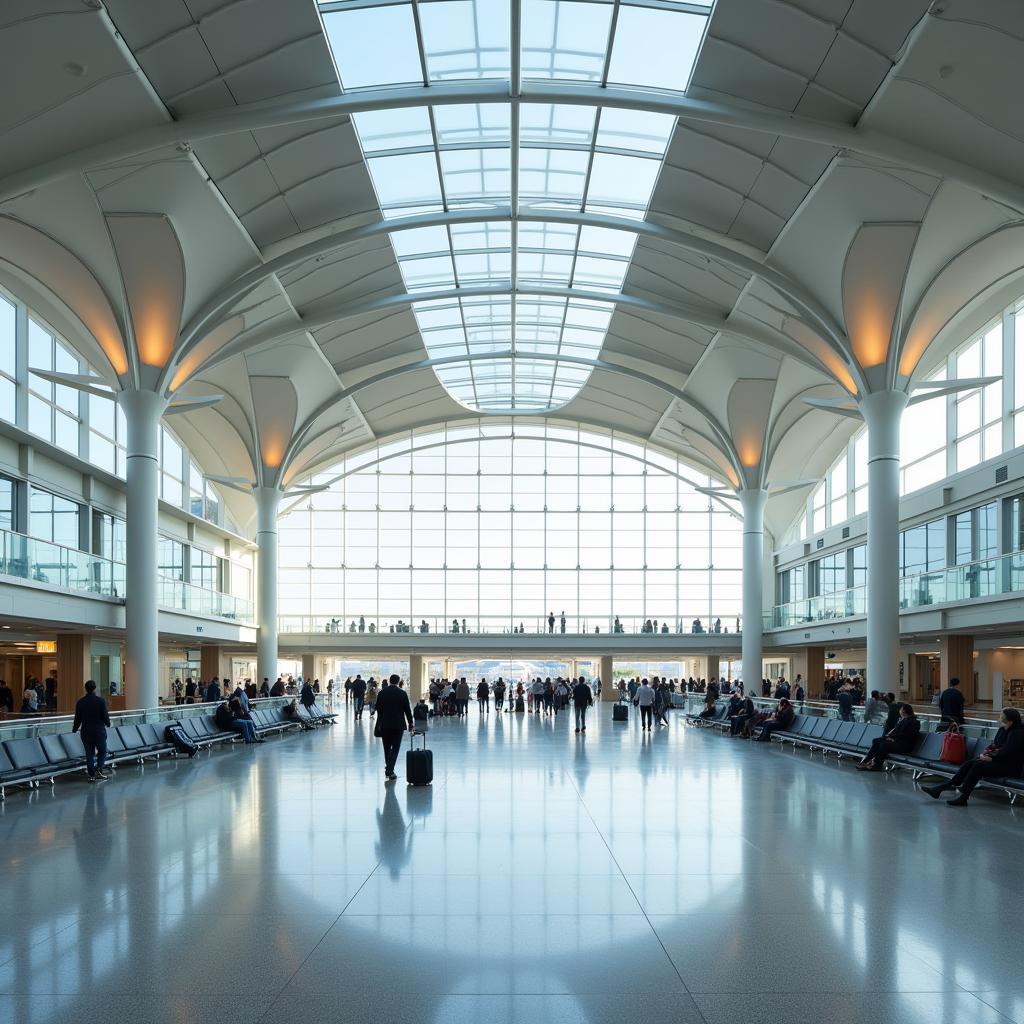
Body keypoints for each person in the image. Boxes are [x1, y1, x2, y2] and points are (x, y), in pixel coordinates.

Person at [923, 708, 1024, 806]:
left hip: (1010, 766)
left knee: (978, 765)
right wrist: (985, 753)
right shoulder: (1002, 730)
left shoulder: (1018, 733)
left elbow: (1008, 752)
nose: (1000, 719)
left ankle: (961, 794)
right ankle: (945, 788)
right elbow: (994, 745)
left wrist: (991, 758)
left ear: (1010, 721)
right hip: (998, 762)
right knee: (970, 763)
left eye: (1002, 717)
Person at [857, 703, 921, 771]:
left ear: (904, 711)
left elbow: (908, 735)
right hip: (897, 742)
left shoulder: (914, 722)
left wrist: (893, 739)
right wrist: (890, 737)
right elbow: (897, 732)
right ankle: (867, 761)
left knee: (884, 745)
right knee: (876, 741)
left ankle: (876, 765)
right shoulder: (903, 720)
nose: (899, 711)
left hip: (905, 745)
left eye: (900, 709)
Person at [375, 673, 414, 781]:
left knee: (386, 748)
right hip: (398, 725)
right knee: (395, 748)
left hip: (385, 724)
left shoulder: (382, 693)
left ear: (389, 680)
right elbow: (407, 709)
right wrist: (410, 723)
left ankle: (389, 769)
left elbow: (378, 708)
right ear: (398, 681)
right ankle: (390, 770)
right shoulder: (402, 693)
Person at [72, 680, 111, 781]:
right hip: (99, 731)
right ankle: (99, 769)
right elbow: (105, 716)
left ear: (85, 689)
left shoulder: (80, 702)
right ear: (95, 688)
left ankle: (91, 775)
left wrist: (74, 729)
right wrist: (108, 723)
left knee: (89, 753)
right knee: (102, 751)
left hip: (86, 732)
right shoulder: (101, 701)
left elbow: (77, 718)